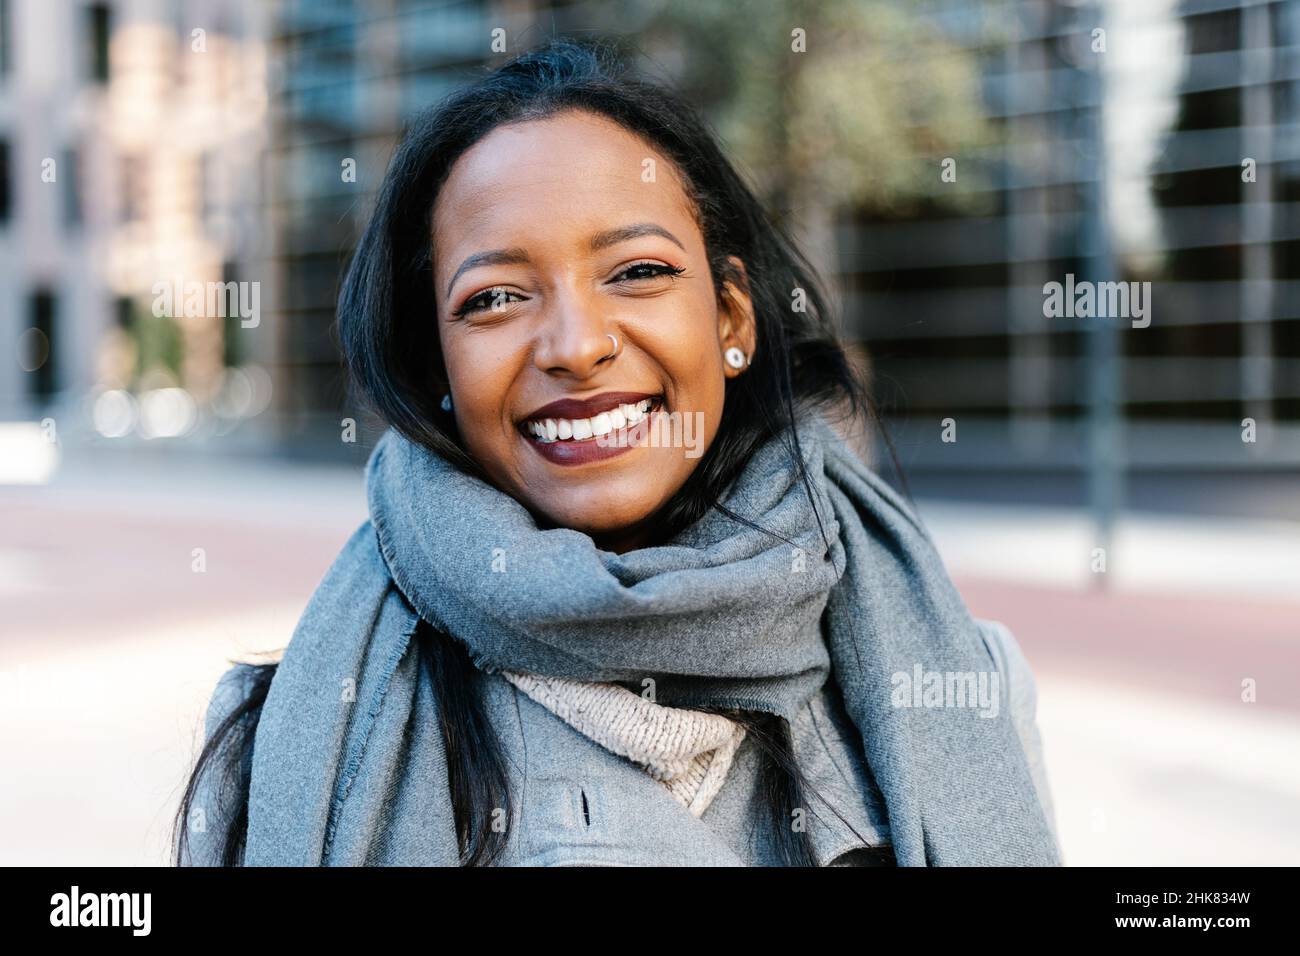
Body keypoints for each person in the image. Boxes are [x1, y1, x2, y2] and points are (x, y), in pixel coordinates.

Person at [172, 36, 1061, 867]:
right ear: (435, 363)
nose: (576, 344)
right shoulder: (284, 737)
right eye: (495, 298)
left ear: (731, 320)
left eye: (637, 272)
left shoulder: (965, 687)